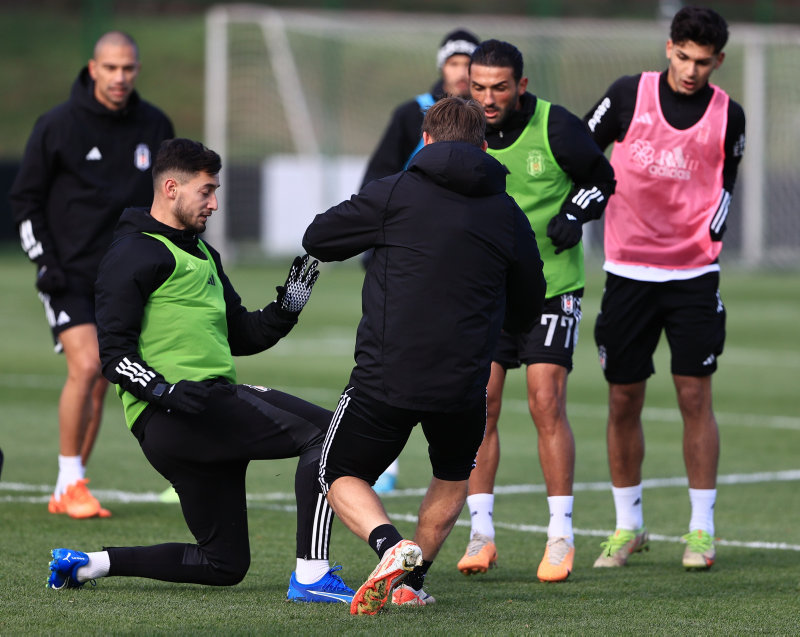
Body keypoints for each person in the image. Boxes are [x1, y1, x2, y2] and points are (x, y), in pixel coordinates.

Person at [45, 138, 355, 604]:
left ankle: (90, 564)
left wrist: (288, 305)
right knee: (329, 434)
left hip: (196, 418)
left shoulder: (203, 254)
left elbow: (244, 335)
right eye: (206, 191)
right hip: (181, 413)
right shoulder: (134, 252)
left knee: (223, 565)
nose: (214, 203)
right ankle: (312, 575)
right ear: (171, 188)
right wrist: (164, 391)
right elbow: (113, 354)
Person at [303, 97, 546, 614]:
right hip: (464, 380)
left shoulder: (395, 192)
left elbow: (318, 237)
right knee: (452, 475)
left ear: (426, 140)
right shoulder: (507, 211)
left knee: (334, 468)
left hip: (387, 373)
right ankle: (411, 584)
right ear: (484, 145)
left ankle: (390, 547)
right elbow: (530, 300)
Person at [583, 6, 745, 570]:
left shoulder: (730, 115)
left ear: (717, 61)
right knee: (623, 398)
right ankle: (629, 526)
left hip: (694, 277)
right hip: (627, 272)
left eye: (704, 62)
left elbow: (727, 185)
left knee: (694, 396)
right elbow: (580, 150)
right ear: (669, 47)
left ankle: (701, 530)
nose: (692, 70)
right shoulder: (629, 94)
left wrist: (705, 238)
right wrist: (583, 203)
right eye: (683, 56)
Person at [460, 39, 616, 582]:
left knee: (545, 399)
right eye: (477, 87)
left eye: (499, 87)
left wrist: (575, 212)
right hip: (488, 293)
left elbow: (603, 178)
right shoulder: (462, 128)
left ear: (521, 86)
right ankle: (481, 534)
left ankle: (560, 537)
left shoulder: (556, 127)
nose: (487, 98)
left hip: (553, 287)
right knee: (481, 403)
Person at [9, 31, 174, 519]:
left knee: (104, 376)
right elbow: (24, 200)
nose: (120, 78)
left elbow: (169, 195)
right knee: (85, 367)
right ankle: (68, 481)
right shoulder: (56, 125)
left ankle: (73, 483)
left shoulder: (154, 124)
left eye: (128, 69)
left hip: (125, 276)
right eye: (111, 68)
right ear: (92, 68)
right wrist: (44, 261)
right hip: (68, 275)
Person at [362, 29, 482, 494]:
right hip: (405, 257)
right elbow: (379, 176)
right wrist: (375, 238)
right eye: (454, 63)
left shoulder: (481, 121)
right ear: (442, 67)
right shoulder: (411, 113)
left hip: (458, 261)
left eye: (468, 64)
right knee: (389, 360)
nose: (461, 72)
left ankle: (452, 465)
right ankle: (383, 463)